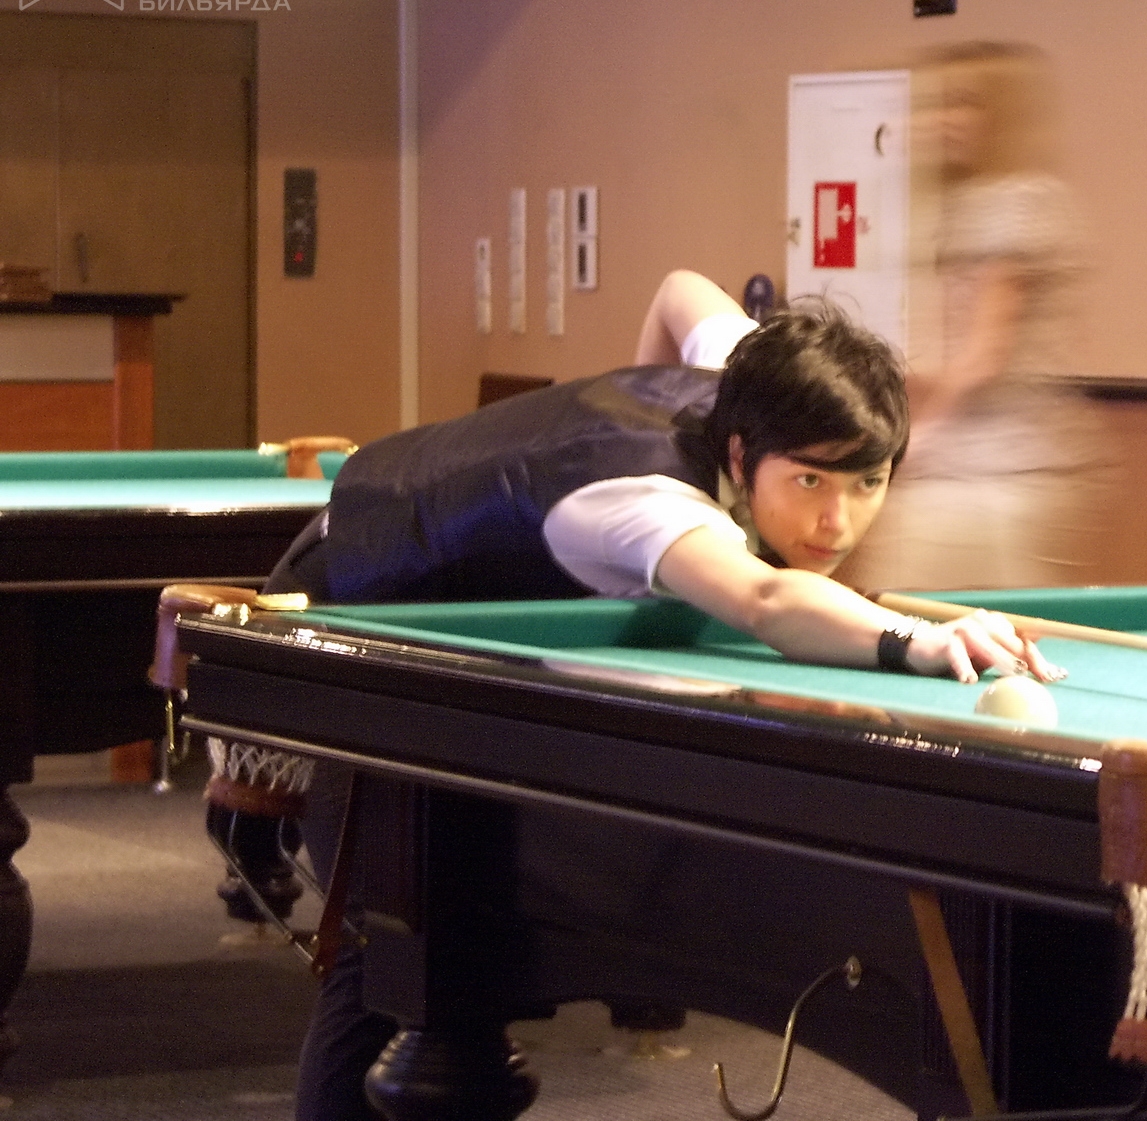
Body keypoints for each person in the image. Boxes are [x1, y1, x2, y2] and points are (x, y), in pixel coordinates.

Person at [267, 269, 1060, 1121]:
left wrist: (635, 384)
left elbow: (681, 291)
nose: (838, 521)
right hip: (347, 606)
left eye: (868, 483)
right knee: (389, 947)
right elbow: (766, 599)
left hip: (459, 653)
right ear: (739, 455)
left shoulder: (754, 379)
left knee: (448, 945)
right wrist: (913, 639)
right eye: (810, 483)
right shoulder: (647, 500)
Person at [845, 42, 1117, 593]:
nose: (943, 119)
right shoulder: (969, 205)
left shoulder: (1012, 203)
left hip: (996, 474)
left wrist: (917, 437)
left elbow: (983, 353)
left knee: (904, 616)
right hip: (987, 471)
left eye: (964, 103)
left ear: (1001, 116)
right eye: (938, 103)